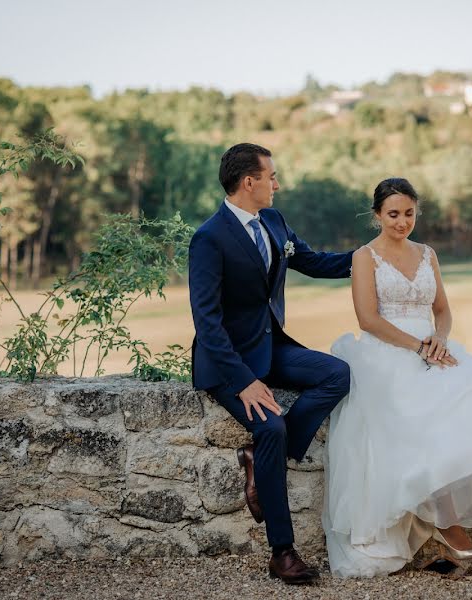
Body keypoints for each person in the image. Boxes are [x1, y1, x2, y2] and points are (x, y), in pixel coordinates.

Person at [323, 177, 472, 578]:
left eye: (409, 213)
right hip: (386, 354)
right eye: (393, 214)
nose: (402, 222)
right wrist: (416, 347)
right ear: (377, 214)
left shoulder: (427, 253)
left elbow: (443, 310)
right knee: (417, 421)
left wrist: (439, 338)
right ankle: (452, 532)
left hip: (433, 350)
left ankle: (449, 528)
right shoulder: (365, 257)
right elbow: (368, 319)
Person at [188, 143, 353, 584]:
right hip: (225, 363)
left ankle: (261, 464)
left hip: (270, 346)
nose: (277, 184)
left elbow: (314, 261)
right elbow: (207, 324)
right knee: (271, 426)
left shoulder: (275, 223)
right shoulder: (209, 238)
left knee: (337, 374)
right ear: (249, 182)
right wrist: (242, 381)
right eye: (271, 176)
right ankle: (282, 552)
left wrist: (374, 258)